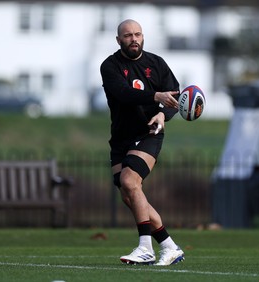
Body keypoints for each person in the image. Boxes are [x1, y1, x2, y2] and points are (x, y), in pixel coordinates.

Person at [100, 19, 184, 266]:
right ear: (119, 40)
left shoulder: (157, 63)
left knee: (129, 181)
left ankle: (145, 247)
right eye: (128, 35)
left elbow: (174, 97)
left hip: (149, 133)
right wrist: (155, 96)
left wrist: (162, 114)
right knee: (130, 195)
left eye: (137, 34)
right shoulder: (110, 66)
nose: (134, 39)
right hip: (121, 138)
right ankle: (169, 246)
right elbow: (123, 94)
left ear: (143, 36)